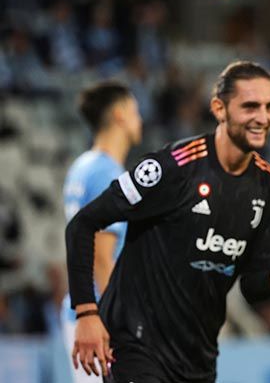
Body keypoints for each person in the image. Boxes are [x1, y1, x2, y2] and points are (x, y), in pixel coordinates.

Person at [66, 61, 270, 381]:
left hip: (198, 358)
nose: (262, 118)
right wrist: (86, 312)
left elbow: (251, 286)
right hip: (136, 347)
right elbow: (83, 224)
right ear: (219, 108)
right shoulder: (174, 168)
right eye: (250, 106)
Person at [61, 82, 142, 383]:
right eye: (135, 112)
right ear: (120, 115)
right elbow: (102, 258)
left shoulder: (81, 167)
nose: (140, 120)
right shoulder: (107, 174)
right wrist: (118, 321)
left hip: (82, 311)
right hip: (98, 319)